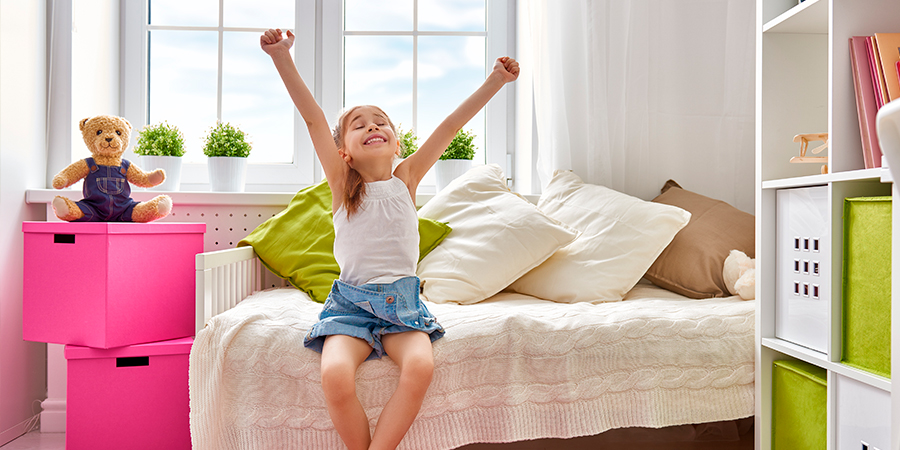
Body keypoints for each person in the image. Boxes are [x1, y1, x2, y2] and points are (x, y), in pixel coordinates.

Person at [260, 28, 519, 450]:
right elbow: (312, 118)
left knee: (420, 367)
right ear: (343, 149)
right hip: (350, 305)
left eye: (381, 122)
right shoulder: (343, 182)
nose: (372, 126)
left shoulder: (407, 178)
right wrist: (281, 57)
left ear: (396, 143)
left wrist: (495, 81)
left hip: (402, 303)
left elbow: (450, 126)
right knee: (335, 376)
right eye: (358, 125)